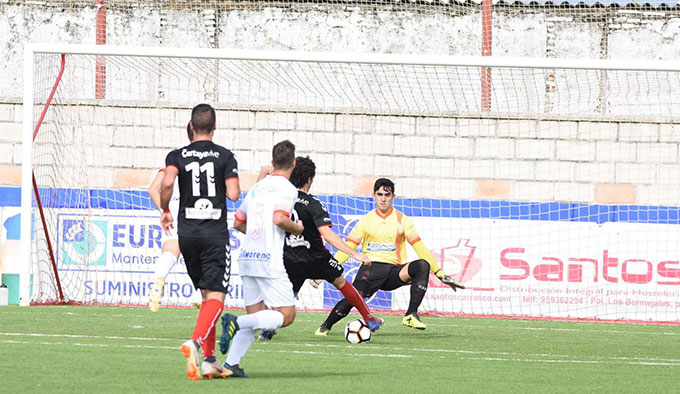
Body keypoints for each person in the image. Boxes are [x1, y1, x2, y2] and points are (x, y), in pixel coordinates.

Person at [316, 178, 464, 334]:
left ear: (393, 197)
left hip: (394, 273)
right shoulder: (366, 220)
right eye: (380, 194)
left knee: (422, 264)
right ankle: (325, 327)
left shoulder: (402, 220)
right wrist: (326, 270)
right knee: (354, 297)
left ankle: (410, 314)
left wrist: (440, 274)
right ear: (374, 196)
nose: (383, 198)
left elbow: (420, 248)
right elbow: (348, 248)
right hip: (370, 270)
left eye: (387, 194)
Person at [259, 156, 383, 341]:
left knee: (288, 296)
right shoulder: (314, 204)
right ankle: (370, 319)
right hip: (316, 258)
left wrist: (263, 173)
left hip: (290, 258)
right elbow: (327, 234)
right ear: (310, 179)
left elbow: (259, 195)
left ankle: (268, 330)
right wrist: (354, 254)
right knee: (341, 282)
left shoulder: (280, 198)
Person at [160, 104, 240, 380]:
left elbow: (168, 182)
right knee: (217, 295)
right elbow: (233, 194)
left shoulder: (176, 155)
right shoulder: (225, 156)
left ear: (191, 127)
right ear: (214, 127)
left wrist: (165, 209)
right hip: (214, 235)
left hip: (188, 235)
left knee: (207, 296)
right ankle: (194, 343)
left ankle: (208, 360)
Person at [218, 140, 303, 378]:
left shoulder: (258, 187)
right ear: (293, 164)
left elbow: (238, 222)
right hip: (269, 261)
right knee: (286, 316)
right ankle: (236, 322)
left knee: (257, 317)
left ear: (273, 162)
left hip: (248, 258)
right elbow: (279, 218)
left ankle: (230, 365)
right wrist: (297, 228)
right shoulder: (288, 189)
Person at [147, 123, 201, 312]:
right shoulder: (199, 163)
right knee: (201, 256)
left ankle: (159, 279)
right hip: (194, 215)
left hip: (173, 212)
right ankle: (200, 293)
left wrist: (165, 209)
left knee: (170, 251)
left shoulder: (173, 162)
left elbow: (153, 189)